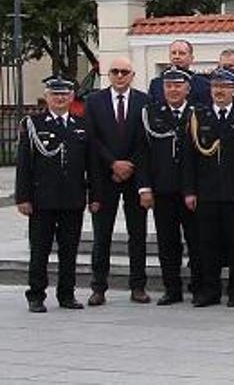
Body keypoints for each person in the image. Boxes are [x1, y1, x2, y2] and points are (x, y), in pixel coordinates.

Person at [18, 77, 90, 312]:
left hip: (72, 198)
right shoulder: (33, 124)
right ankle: (36, 295)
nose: (60, 98)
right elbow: (24, 165)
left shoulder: (80, 125)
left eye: (65, 94)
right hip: (42, 200)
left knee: (69, 251)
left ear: (71, 98)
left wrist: (95, 195)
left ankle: (66, 294)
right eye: (55, 94)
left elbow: (91, 165)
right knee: (40, 250)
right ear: (47, 97)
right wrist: (23, 197)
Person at [82, 56, 149, 305]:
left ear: (132, 75)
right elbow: (92, 138)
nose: (120, 76)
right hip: (104, 176)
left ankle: (138, 286)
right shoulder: (94, 101)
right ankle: (98, 287)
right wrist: (113, 163)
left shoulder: (144, 101)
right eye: (115, 72)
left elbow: (145, 140)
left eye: (125, 72)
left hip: (135, 175)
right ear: (107, 75)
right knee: (102, 235)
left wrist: (129, 165)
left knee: (138, 234)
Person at [184, 69, 234, 307]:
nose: (219, 91)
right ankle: (210, 290)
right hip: (206, 192)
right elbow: (189, 158)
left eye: (224, 87)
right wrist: (190, 190)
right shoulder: (198, 117)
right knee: (207, 245)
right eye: (215, 87)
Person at [135, 69, 195, 305]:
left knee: (196, 241)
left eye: (178, 85)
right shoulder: (151, 115)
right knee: (167, 243)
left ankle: (198, 285)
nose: (173, 90)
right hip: (163, 189)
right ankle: (172, 288)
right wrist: (144, 188)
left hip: (191, 191)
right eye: (168, 86)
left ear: (187, 89)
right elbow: (142, 153)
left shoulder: (197, 114)